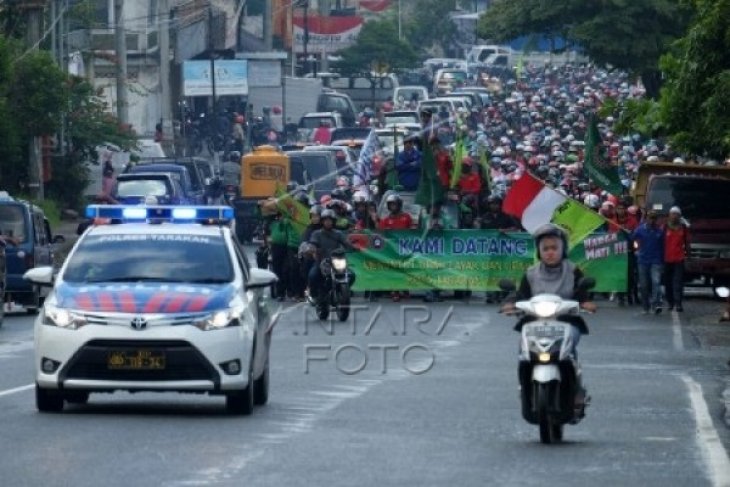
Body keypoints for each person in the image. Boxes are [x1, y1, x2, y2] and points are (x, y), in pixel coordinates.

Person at [500, 224, 596, 412]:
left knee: (569, 349)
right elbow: (520, 295)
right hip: (534, 321)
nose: (550, 253)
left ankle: (575, 389)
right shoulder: (530, 274)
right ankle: (524, 387)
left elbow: (581, 294)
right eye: (545, 249)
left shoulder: (573, 271)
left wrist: (585, 303)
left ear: (563, 249)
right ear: (539, 251)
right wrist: (510, 303)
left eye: (554, 248)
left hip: (566, 321)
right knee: (523, 350)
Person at [307, 209, 355, 303]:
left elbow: (346, 243)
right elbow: (312, 243)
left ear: (333, 221)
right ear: (322, 221)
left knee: (351, 275)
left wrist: (354, 247)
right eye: (326, 220)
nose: (328, 222)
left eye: (330, 220)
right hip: (322, 262)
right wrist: (312, 248)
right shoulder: (317, 234)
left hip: (337, 261)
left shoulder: (338, 233)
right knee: (312, 275)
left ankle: (341, 292)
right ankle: (314, 296)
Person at [632, 210, 665, 314]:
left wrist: (663, 261)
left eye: (654, 218)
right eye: (650, 217)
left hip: (656, 261)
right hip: (643, 261)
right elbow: (632, 239)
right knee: (643, 285)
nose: (652, 220)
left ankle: (656, 304)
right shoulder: (640, 230)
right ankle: (645, 306)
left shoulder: (660, 231)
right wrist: (636, 249)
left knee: (656, 282)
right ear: (646, 218)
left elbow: (663, 246)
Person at [663, 206, 690, 312]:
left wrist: (688, 256)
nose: (674, 216)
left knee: (678, 282)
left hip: (679, 259)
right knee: (667, 282)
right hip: (666, 259)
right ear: (669, 215)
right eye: (672, 214)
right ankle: (670, 302)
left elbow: (687, 243)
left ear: (679, 216)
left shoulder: (683, 227)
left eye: (676, 214)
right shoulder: (664, 227)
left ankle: (678, 303)